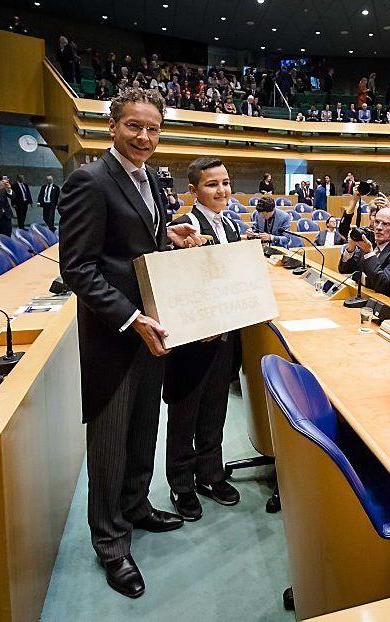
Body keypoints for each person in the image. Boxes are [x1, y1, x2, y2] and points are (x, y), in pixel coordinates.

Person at [57, 87, 202, 599]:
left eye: (153, 129)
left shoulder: (152, 181)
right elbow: (77, 268)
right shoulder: (89, 181)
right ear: (112, 127)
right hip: (115, 334)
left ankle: (136, 506)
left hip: (153, 328)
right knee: (110, 442)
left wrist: (173, 241)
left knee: (145, 425)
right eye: (134, 126)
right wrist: (131, 317)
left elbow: (142, 243)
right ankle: (110, 542)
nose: (144, 137)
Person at [163, 157, 243, 521]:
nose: (222, 190)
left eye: (225, 183)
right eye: (212, 185)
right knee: (185, 413)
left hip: (225, 334)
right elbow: (172, 284)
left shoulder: (230, 225)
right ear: (193, 191)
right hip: (192, 341)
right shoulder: (182, 226)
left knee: (215, 409)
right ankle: (181, 483)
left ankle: (210, 473)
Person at [337, 199, 390, 304]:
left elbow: (382, 284)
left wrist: (369, 253)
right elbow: (344, 269)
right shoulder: (370, 241)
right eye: (377, 222)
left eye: (385, 224)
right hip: (365, 297)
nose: (379, 227)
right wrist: (351, 247)